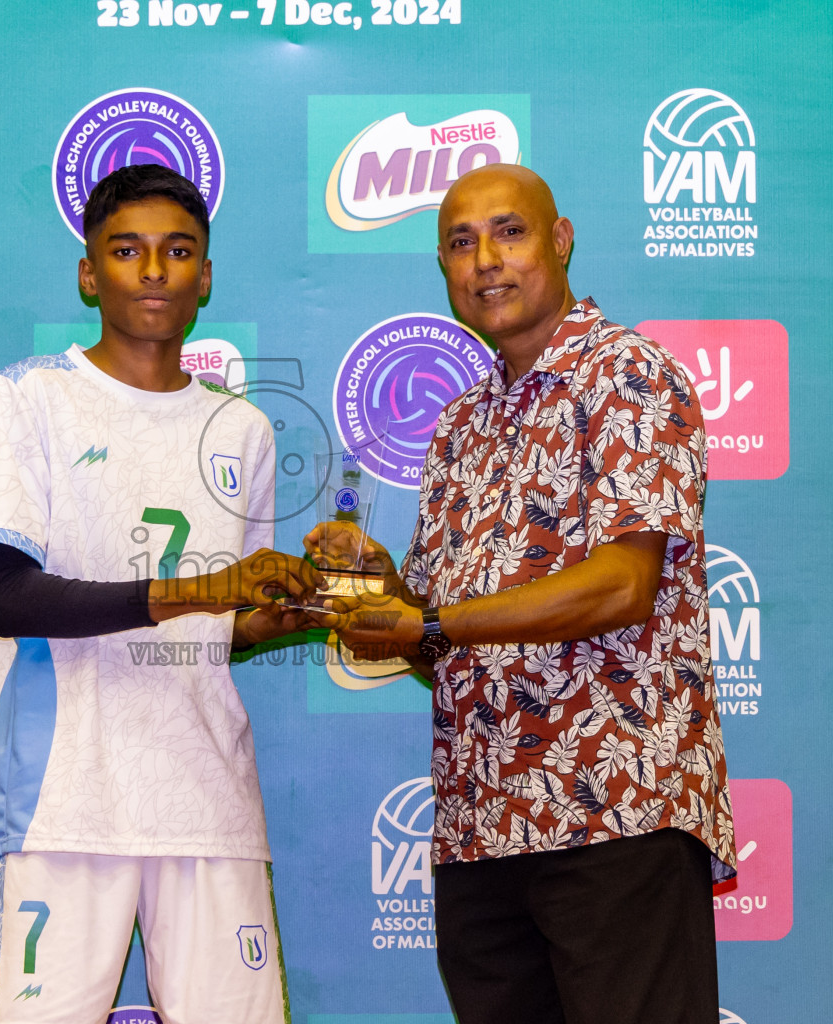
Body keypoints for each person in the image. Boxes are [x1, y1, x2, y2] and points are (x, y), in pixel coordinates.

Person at [305, 164, 735, 1024]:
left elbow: (624, 585)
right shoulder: (462, 423)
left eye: (509, 232)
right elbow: (439, 645)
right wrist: (378, 586)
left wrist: (431, 618)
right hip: (479, 832)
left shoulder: (628, 374)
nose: (485, 261)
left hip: (616, 817)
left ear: (562, 239)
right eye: (460, 243)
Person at [0, 163, 316, 1024]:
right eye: (127, 250)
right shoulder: (30, 396)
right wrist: (205, 588)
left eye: (177, 251)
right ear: (89, 273)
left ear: (206, 277)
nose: (154, 270)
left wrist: (295, 607)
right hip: (65, 801)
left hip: (206, 798)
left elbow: (219, 630)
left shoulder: (244, 429)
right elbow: (11, 599)